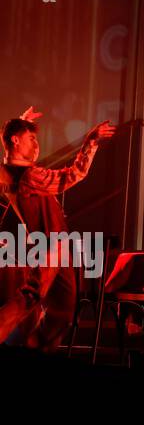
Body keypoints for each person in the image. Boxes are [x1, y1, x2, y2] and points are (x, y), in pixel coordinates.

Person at [0, 109, 115, 349]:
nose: (37, 145)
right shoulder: (26, 174)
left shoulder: (11, 173)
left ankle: (32, 347)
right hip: (50, 247)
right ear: (15, 140)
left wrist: (22, 124)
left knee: (61, 309)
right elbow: (70, 176)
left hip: (57, 246)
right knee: (32, 297)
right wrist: (90, 143)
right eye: (31, 139)